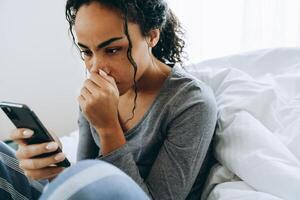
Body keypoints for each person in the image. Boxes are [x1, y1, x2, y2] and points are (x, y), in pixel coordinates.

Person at [0, 0, 218, 199]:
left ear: (152, 36)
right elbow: (85, 180)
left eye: (112, 50)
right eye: (86, 52)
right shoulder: (95, 95)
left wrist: (108, 128)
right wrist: (56, 170)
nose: (96, 68)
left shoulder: (191, 103)